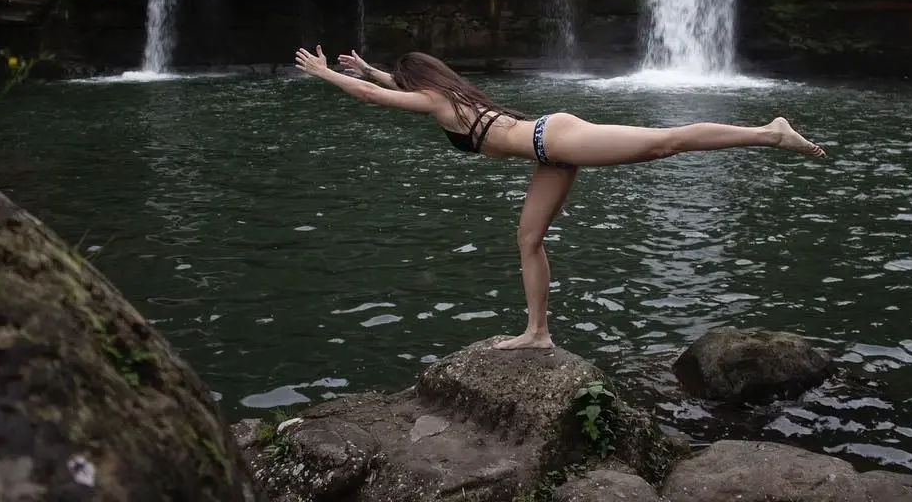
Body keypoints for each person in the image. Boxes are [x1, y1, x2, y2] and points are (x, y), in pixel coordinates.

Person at [294, 45, 826, 350]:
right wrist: (370, 70)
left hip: (555, 139)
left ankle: (768, 131)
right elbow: (386, 86)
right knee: (527, 239)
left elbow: (374, 97)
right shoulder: (443, 94)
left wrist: (328, 76)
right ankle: (538, 333)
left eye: (400, 81)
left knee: (667, 142)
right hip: (548, 152)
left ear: (418, 84)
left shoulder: (434, 101)